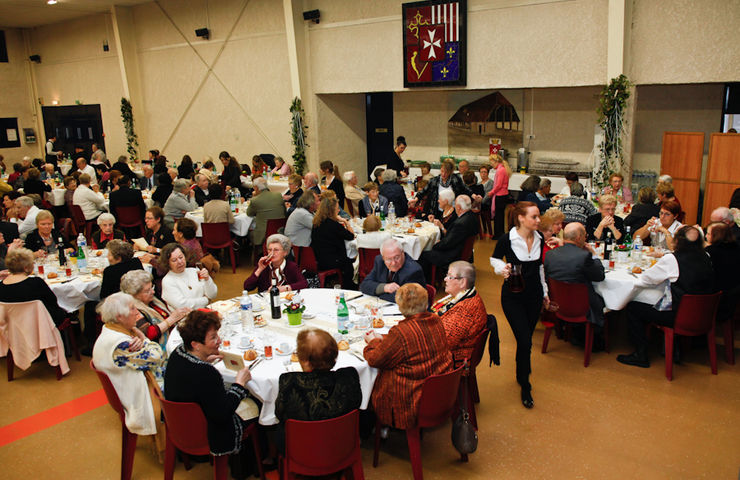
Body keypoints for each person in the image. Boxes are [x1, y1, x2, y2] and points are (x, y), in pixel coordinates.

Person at [165, 310, 259, 465]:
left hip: (179, 425)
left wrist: (205, 359)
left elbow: (193, 380)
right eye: (213, 338)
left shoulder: (178, 353)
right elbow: (222, 414)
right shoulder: (205, 373)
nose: (219, 340)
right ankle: (255, 462)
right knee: (257, 402)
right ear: (195, 345)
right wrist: (239, 384)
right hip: (205, 433)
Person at [617, 226, 715, 368]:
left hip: (678, 315)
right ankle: (673, 348)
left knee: (633, 307)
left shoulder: (673, 259)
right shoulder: (706, 256)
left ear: (678, 241)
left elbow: (647, 279)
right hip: (704, 314)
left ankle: (640, 354)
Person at [364, 283, 452, 430]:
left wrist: (372, 341)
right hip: (436, 390)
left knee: (369, 381)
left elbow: (374, 359)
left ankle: (367, 425)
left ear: (401, 306)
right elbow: (411, 343)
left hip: (409, 399)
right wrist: (385, 338)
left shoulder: (401, 332)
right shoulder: (435, 320)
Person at [490, 201, 549, 409]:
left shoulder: (540, 238)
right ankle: (525, 383)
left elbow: (540, 268)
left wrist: (545, 293)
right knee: (524, 341)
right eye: (534, 217)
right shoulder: (508, 239)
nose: (538, 220)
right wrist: (502, 268)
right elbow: (494, 259)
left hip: (534, 295)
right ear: (521, 218)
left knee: (526, 340)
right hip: (513, 296)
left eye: (538, 216)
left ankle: (520, 372)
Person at [275, 328, 362, 450]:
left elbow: (279, 414)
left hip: (302, 451)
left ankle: (270, 457)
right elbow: (357, 404)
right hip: (342, 446)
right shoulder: (349, 376)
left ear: (306, 361)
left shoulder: (289, 381)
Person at [92, 293, 165, 437]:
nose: (137, 312)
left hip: (129, 380)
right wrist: (144, 339)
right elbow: (157, 356)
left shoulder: (111, 329)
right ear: (120, 317)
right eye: (132, 309)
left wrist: (137, 335)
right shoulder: (122, 345)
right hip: (136, 392)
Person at [544, 223, 606, 328]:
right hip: (582, 307)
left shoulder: (550, 254)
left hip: (558, 303)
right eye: (585, 236)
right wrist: (594, 255)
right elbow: (600, 276)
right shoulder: (584, 256)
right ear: (579, 237)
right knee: (604, 298)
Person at [431, 261, 487, 364]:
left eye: (450, 276)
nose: (445, 279)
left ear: (462, 282)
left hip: (452, 361)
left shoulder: (465, 310)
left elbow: (442, 344)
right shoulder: (462, 295)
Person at [120, 270, 189, 349]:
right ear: (134, 295)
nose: (153, 291)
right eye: (147, 291)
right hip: (159, 348)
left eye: (152, 287)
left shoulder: (153, 301)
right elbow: (148, 334)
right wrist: (172, 319)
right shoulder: (133, 310)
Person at [0, 247, 67, 326]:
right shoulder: (36, 282)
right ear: (26, 268)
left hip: (13, 328)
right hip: (41, 325)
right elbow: (53, 302)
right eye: (32, 263)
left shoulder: (1, 286)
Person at [419, 195, 479, 274]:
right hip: (461, 251)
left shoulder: (460, 223)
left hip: (452, 255)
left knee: (422, 254)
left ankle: (428, 281)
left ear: (458, 207)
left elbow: (447, 243)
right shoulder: (472, 216)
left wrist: (434, 245)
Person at [360, 238, 425, 303]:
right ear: (383, 257)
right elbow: (364, 285)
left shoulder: (413, 270)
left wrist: (378, 292)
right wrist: (384, 288)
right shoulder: (379, 261)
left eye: (397, 257)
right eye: (388, 259)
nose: (393, 263)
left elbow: (406, 299)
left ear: (402, 253)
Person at [311, 195, 356, 290]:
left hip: (319, 259)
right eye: (337, 208)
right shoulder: (334, 225)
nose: (339, 210)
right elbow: (351, 235)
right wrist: (345, 221)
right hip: (333, 261)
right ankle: (350, 286)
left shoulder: (317, 223)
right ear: (331, 210)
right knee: (351, 263)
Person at [243, 234, 307, 293]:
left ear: (285, 252)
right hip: (266, 302)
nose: (272, 253)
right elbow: (247, 287)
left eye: (276, 250)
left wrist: (284, 288)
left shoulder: (291, 266)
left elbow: (304, 284)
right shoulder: (264, 266)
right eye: (269, 250)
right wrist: (259, 270)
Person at [160, 243, 217, 309]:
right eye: (174, 260)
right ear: (167, 263)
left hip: (205, 312)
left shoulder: (195, 271)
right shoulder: (168, 281)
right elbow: (182, 305)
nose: (180, 262)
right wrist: (206, 300)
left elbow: (212, 295)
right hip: (186, 318)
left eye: (181, 257)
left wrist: (207, 279)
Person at [705, 222, 740, 327]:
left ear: (716, 236)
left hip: (713, 304)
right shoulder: (737, 249)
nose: (705, 236)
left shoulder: (710, 252)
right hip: (731, 301)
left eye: (708, 234)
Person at [246, 177, 286, 247]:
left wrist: (254, 197)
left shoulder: (255, 200)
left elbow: (249, 213)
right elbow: (284, 211)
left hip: (263, 235)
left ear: (256, 188)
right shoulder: (278, 195)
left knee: (246, 231)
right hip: (280, 231)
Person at [488, 153, 512, 239]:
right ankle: (499, 233)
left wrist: (491, 192)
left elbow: (498, 185)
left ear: (496, 161)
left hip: (500, 195)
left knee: (498, 216)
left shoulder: (500, 170)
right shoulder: (503, 169)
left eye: (492, 162)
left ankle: (498, 234)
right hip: (503, 194)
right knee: (500, 215)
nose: (491, 164)